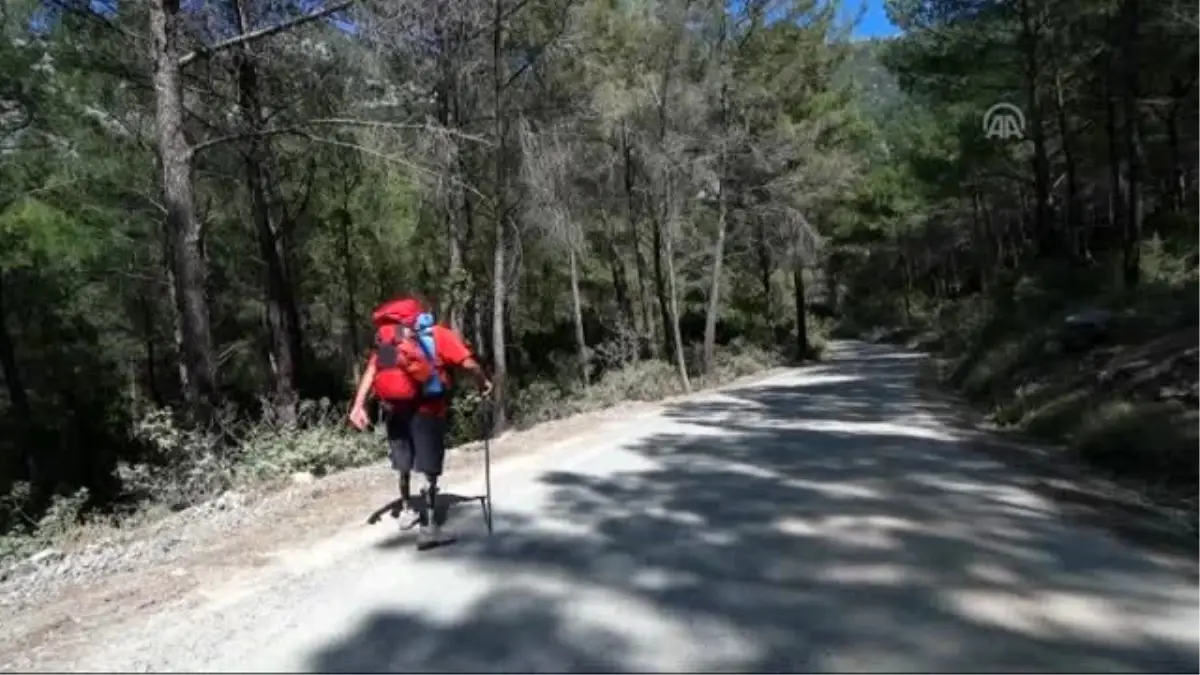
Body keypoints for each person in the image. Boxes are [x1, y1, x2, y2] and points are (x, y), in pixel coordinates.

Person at [348, 296, 492, 549]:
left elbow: (373, 371)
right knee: (429, 468)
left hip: (397, 409)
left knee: (403, 463)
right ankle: (428, 529)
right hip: (428, 410)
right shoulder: (437, 335)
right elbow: (468, 363)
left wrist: (358, 405)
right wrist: (483, 382)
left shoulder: (392, 341)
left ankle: (406, 510)